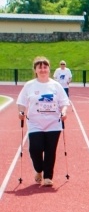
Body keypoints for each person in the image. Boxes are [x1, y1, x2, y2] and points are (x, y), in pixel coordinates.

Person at [16, 57, 70, 187]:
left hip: (53, 123)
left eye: (45, 67)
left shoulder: (55, 85)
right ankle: (39, 170)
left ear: (49, 69)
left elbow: (64, 102)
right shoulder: (29, 85)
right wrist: (21, 112)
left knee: (50, 150)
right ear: (35, 70)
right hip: (35, 123)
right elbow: (21, 102)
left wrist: (64, 112)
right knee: (35, 149)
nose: (43, 70)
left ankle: (47, 177)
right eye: (40, 67)